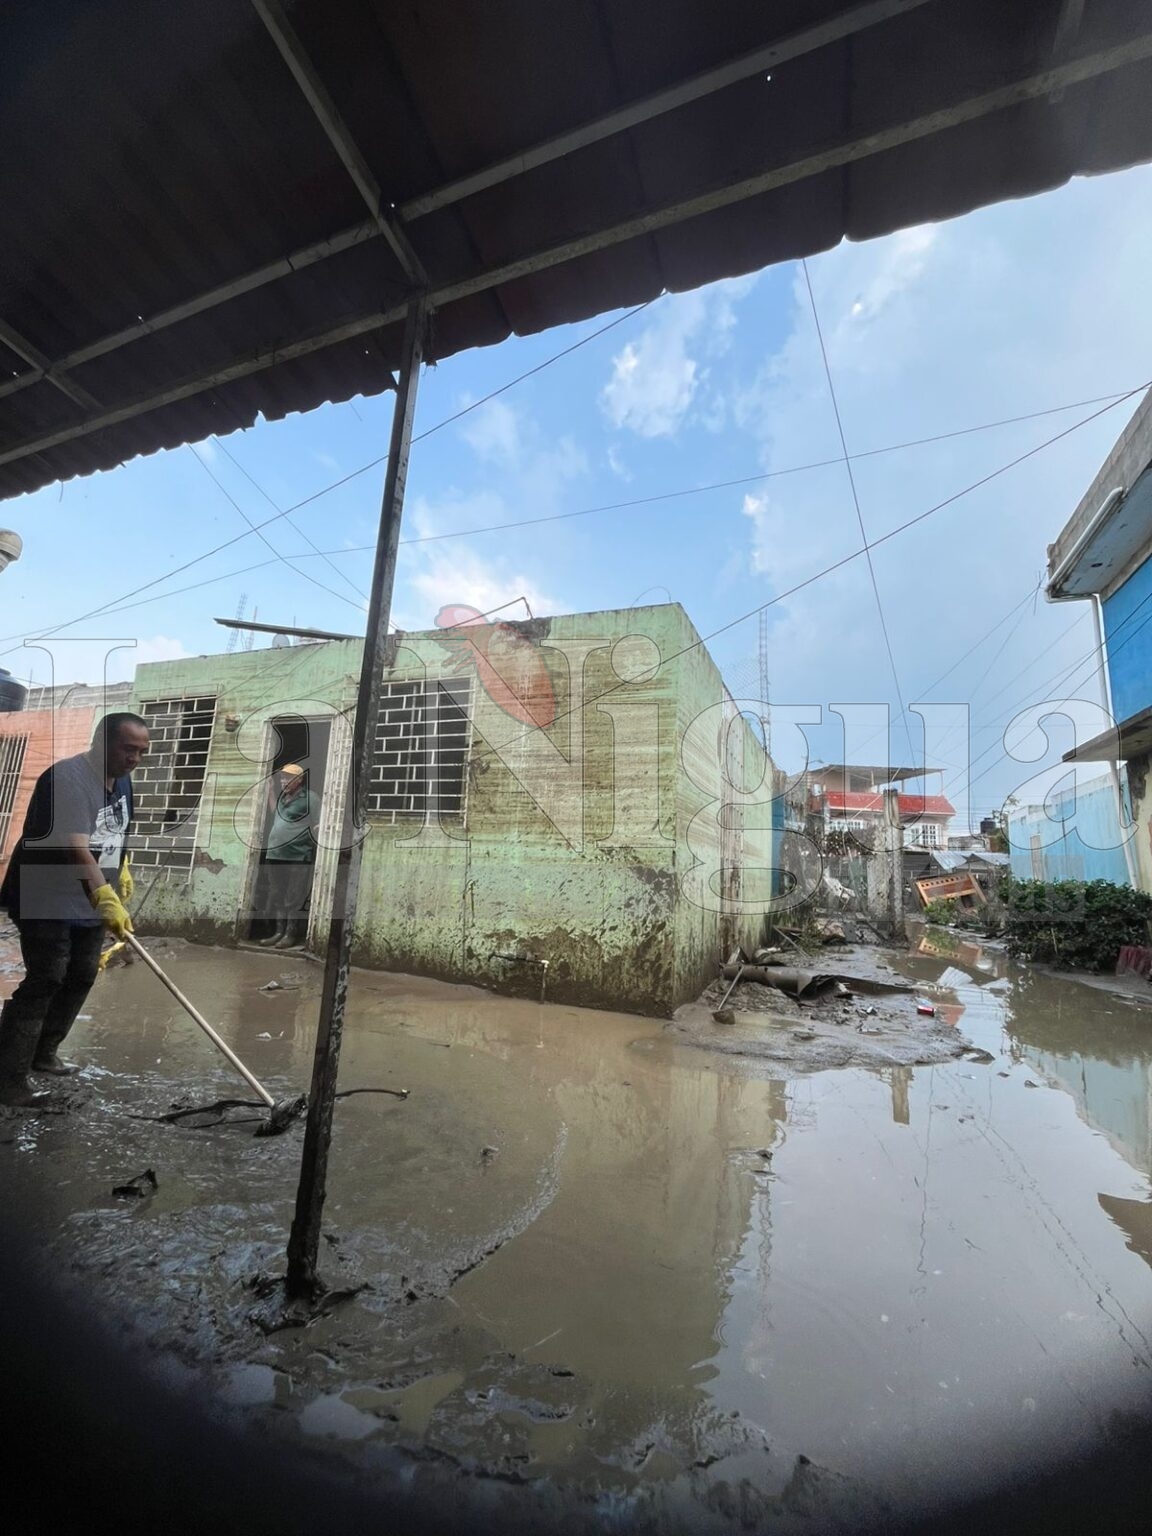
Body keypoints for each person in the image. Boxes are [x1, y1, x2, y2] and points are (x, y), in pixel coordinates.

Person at [0, 712, 146, 1107]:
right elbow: (74, 846)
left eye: (141, 752)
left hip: (90, 890)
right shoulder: (66, 778)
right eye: (127, 748)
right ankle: (9, 1079)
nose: (134, 758)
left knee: (82, 972)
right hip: (45, 892)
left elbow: (115, 830)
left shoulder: (124, 781)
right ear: (103, 741)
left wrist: (122, 869)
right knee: (47, 977)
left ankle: (43, 1054)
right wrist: (105, 898)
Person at [260, 762, 319, 950]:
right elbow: (276, 815)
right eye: (282, 778)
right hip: (276, 853)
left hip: (297, 855)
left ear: (299, 780)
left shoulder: (310, 798)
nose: (284, 781)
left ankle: (290, 935)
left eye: (288, 778)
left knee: (293, 896)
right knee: (277, 894)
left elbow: (319, 823)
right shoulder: (283, 798)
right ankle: (278, 932)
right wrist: (270, 792)